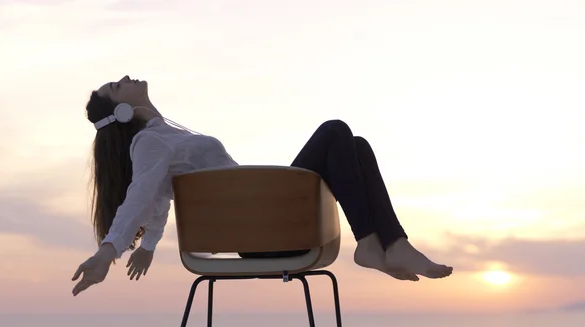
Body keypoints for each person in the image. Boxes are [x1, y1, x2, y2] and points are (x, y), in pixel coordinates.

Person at [72, 75, 453, 296]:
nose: (124, 79)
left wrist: (150, 246)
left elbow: (154, 200)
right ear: (121, 111)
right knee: (335, 131)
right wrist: (109, 252)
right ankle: (371, 244)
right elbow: (141, 193)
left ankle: (392, 244)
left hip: (267, 228)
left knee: (354, 146)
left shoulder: (160, 137)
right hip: (265, 236)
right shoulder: (150, 143)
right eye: (116, 87)